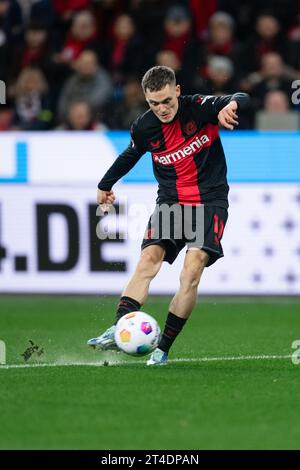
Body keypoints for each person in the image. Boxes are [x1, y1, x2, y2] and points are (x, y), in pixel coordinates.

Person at [87, 65, 250, 365]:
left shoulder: (199, 108)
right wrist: (105, 184)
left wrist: (232, 104)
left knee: (191, 271)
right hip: (171, 203)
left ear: (177, 91)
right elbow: (130, 154)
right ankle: (119, 327)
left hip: (209, 202)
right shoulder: (144, 127)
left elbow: (242, 95)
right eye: (154, 103)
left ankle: (162, 348)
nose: (161, 109)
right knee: (148, 261)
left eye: (167, 101)